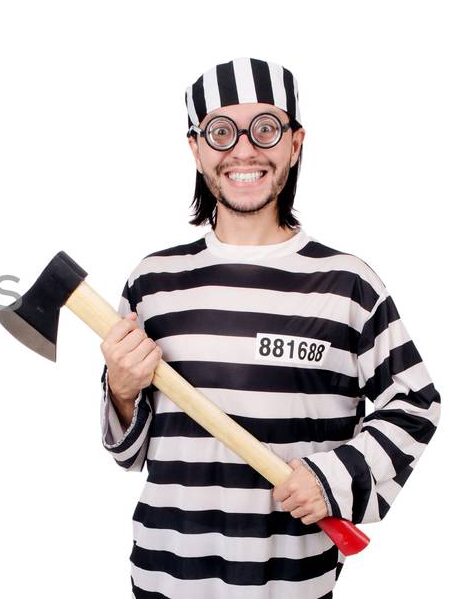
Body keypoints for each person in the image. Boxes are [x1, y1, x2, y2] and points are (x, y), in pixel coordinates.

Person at [98, 59, 441, 597]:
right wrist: (120, 390)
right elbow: (128, 454)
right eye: (220, 131)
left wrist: (335, 477)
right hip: (165, 576)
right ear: (196, 149)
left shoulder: (348, 285)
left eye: (265, 128)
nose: (243, 149)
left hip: (291, 583)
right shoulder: (153, 282)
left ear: (295, 143)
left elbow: (416, 402)